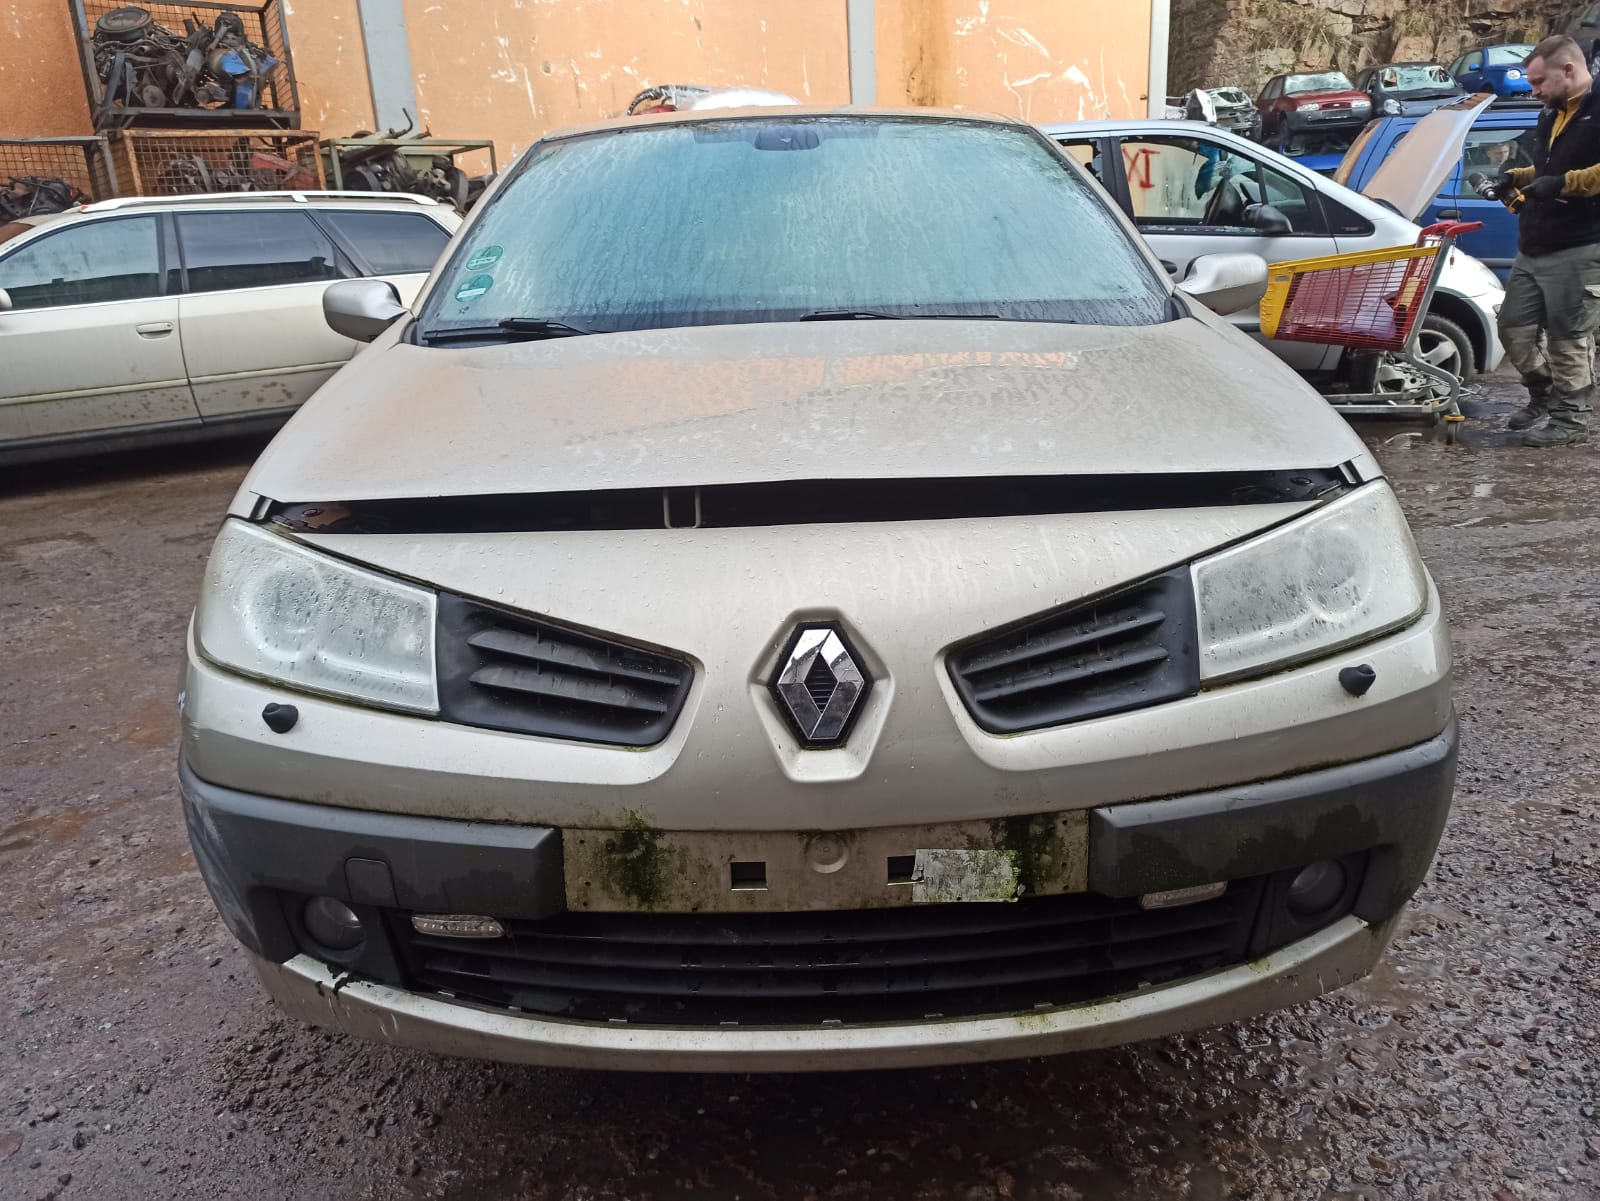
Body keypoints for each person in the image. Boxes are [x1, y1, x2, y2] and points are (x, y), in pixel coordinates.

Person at [1479, 36, 1600, 445]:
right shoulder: (1552, 112)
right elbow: (1548, 168)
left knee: (1569, 338)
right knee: (1513, 328)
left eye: (1538, 82)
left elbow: (1573, 175)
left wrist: (1560, 184)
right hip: (1534, 245)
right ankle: (1543, 395)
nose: (1533, 91)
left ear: (1568, 70)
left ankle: (1570, 423)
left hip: (1581, 244)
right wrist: (1516, 176)